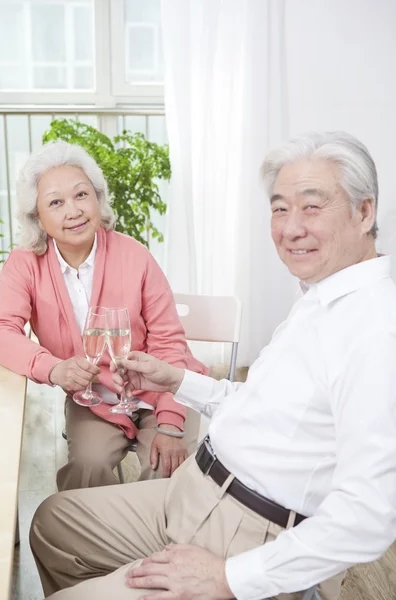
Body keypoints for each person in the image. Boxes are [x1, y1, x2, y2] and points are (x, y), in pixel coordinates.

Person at [30, 131, 396, 600]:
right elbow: (261, 404)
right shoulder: (321, 296)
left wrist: (227, 578)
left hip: (246, 530)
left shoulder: (375, 329)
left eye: (311, 206)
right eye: (280, 208)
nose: (289, 227)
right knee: (52, 523)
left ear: (364, 213)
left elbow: (370, 516)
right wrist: (176, 379)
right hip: (195, 489)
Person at [0, 140, 207, 491]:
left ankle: (152, 545)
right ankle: (94, 542)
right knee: (87, 469)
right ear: (38, 217)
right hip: (92, 400)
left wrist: (170, 422)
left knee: (164, 469)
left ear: (97, 199)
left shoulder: (135, 255)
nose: (73, 211)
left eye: (81, 195)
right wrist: (53, 368)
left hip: (160, 389)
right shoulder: (25, 264)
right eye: (56, 202)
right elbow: (1, 330)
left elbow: (169, 343)